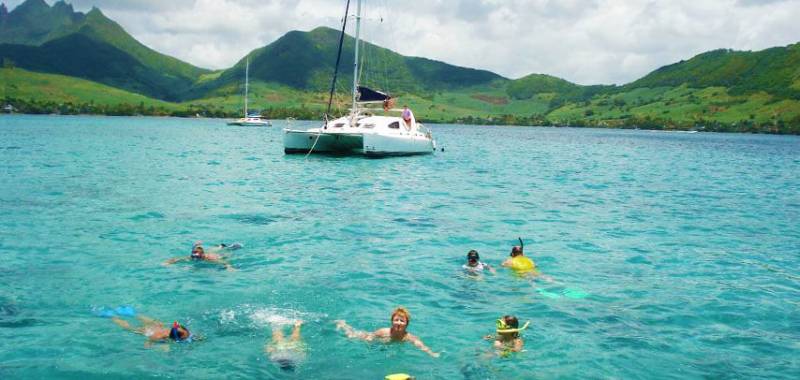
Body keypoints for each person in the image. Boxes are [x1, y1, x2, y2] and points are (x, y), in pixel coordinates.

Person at [335, 307, 440, 358]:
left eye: (402, 321)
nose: (398, 323)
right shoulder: (383, 331)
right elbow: (371, 336)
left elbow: (422, 346)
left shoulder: (409, 337)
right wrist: (368, 343)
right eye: (396, 320)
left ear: (406, 324)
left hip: (384, 344)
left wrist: (432, 353)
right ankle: (343, 324)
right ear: (392, 321)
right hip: (373, 338)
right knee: (352, 335)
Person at [112, 315, 192, 347]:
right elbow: (148, 342)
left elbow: (177, 325)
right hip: (147, 331)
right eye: (185, 337)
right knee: (129, 327)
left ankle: (134, 314)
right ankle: (113, 317)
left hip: (156, 326)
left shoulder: (174, 329)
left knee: (157, 323)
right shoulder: (158, 336)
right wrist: (149, 345)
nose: (188, 336)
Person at [163, 241, 237, 271]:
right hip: (205, 253)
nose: (195, 257)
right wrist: (167, 263)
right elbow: (176, 259)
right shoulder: (192, 257)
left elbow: (224, 262)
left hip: (217, 256)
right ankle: (219, 246)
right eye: (193, 254)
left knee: (226, 253)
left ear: (202, 255)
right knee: (211, 250)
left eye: (197, 255)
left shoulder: (209, 259)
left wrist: (229, 267)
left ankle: (224, 247)